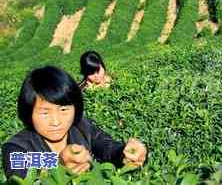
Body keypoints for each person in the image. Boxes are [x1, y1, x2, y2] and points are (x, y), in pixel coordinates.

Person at [2, 66, 147, 179]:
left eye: (64, 110)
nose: (56, 121)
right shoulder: (17, 148)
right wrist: (59, 165)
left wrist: (125, 153)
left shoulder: (82, 127)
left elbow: (107, 147)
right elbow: (20, 175)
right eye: (45, 113)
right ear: (29, 113)